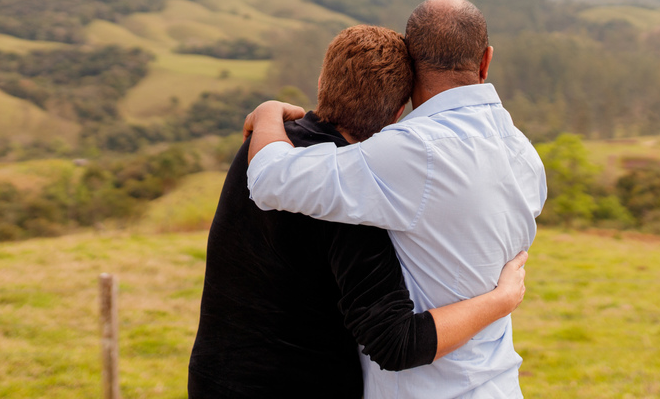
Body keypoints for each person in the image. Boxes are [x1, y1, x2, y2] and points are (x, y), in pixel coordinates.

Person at [189, 24, 529, 398]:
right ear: (398, 113)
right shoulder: (354, 200)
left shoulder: (263, 148)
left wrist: (269, 111)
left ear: (323, 82)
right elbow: (397, 343)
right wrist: (500, 300)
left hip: (212, 378)